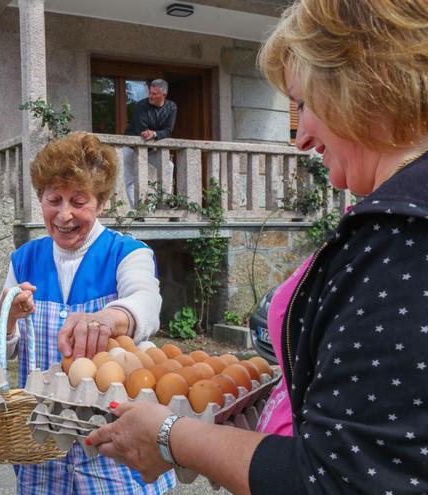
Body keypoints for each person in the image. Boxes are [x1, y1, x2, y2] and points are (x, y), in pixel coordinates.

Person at [85, 1, 428, 492]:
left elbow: (335, 480)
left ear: (361, 86)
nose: (301, 137)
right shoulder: (394, 221)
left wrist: (171, 435)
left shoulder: (403, 238)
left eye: (303, 103)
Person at [0, 132, 174, 494]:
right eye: (54, 200)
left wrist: (108, 318)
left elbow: (146, 302)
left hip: (114, 441)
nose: (64, 214)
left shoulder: (127, 253)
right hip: (44, 443)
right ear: (40, 201)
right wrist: (5, 319)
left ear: (101, 203)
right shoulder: (24, 260)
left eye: (78, 201)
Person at [123, 79, 178, 207]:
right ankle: (138, 211)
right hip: (131, 148)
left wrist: (154, 134)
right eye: (150, 93)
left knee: (168, 166)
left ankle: (164, 201)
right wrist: (152, 134)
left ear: (164, 95)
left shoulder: (171, 107)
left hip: (151, 149)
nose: (151, 96)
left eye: (154, 94)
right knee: (131, 180)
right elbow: (142, 130)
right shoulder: (141, 105)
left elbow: (168, 130)